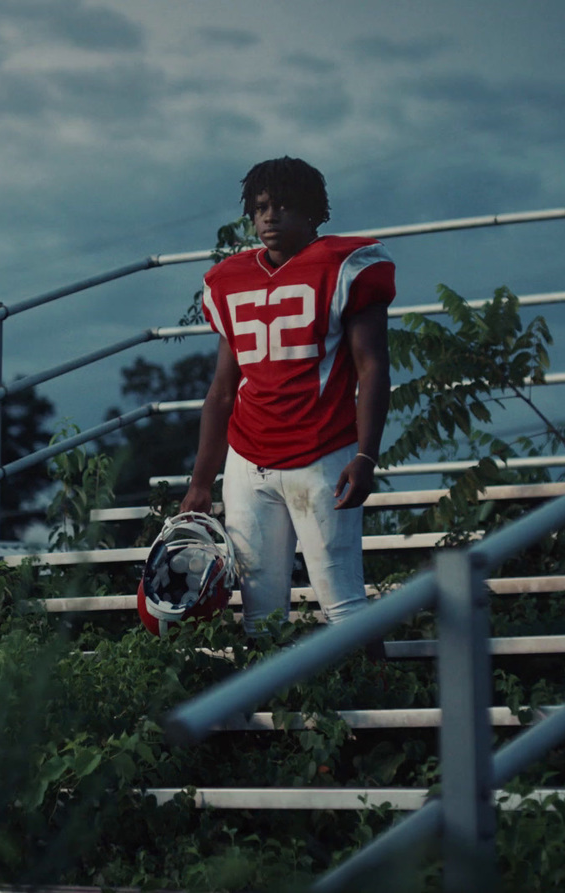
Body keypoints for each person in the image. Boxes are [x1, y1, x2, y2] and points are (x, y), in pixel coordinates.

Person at [178, 156, 394, 634]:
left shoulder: (345, 266)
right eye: (260, 208)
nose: (270, 217)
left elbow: (372, 366)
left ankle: (377, 697)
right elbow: (221, 390)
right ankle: (270, 705)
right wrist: (200, 481)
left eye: (284, 206)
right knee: (259, 612)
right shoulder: (229, 279)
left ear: (315, 212)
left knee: (343, 603)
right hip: (248, 458)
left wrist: (366, 454)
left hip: (322, 452)